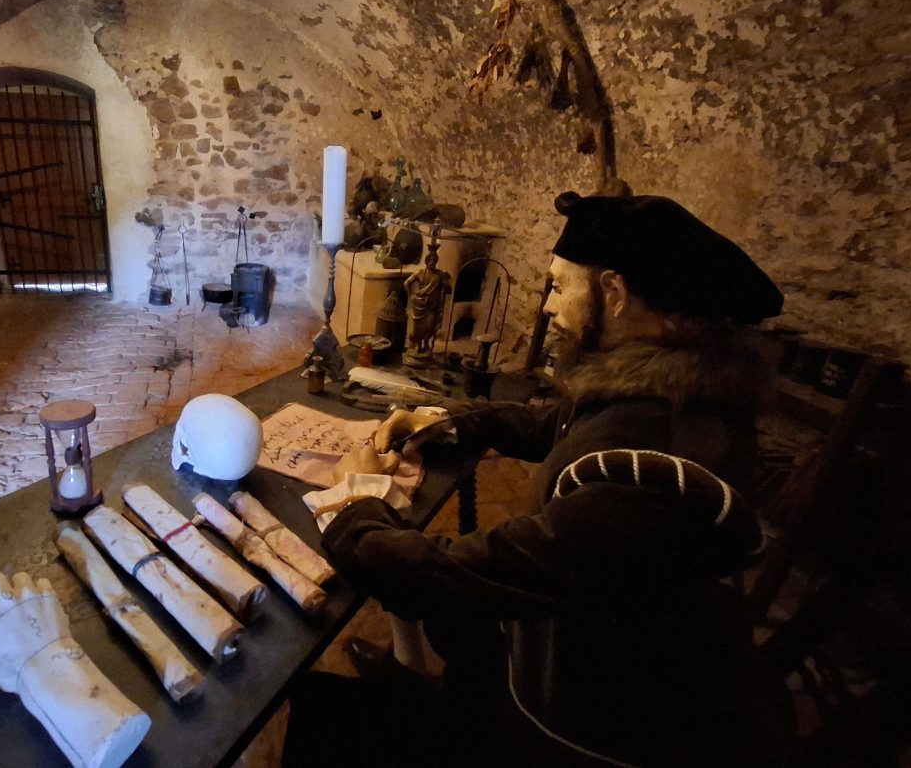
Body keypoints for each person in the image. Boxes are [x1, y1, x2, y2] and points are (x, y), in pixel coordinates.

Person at [284, 191, 794, 767]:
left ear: (614, 294)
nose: (549, 306)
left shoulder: (647, 478)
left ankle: (432, 711)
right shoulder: (667, 393)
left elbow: (449, 575)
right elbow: (555, 425)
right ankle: (422, 684)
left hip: (578, 721)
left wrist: (354, 503)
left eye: (559, 286)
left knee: (324, 714)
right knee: (453, 621)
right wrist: (445, 422)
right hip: (579, 627)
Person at [403, 246, 451, 362]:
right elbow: (406, 283)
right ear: (426, 260)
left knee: (429, 326)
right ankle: (419, 346)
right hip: (419, 305)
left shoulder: (439, 275)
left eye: (434, 260)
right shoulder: (420, 272)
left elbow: (448, 290)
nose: (432, 262)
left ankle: (426, 345)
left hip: (432, 306)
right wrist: (411, 296)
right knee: (418, 328)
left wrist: (446, 283)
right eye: (430, 259)